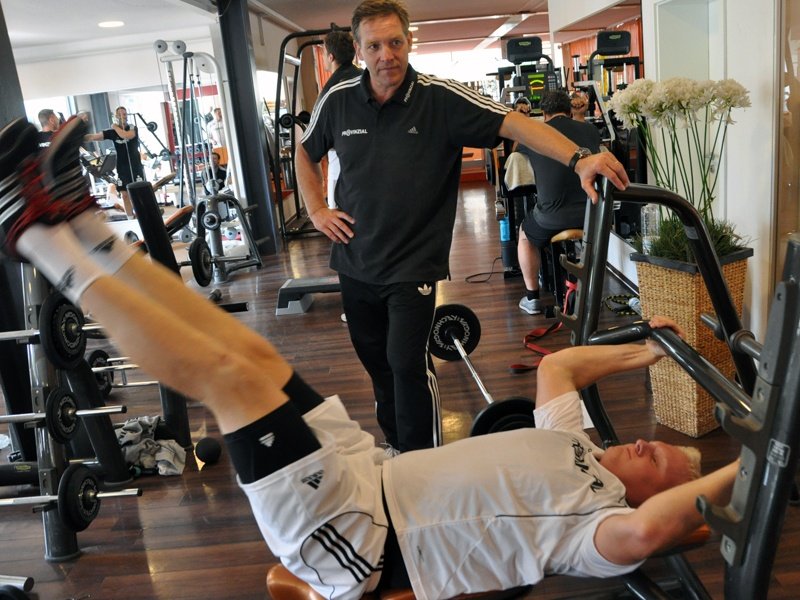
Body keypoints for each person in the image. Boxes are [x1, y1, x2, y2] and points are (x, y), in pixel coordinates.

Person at [0, 115, 738, 600]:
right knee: (245, 351)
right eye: (658, 444)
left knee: (223, 381)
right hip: (364, 466)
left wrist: (760, 460)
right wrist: (645, 349)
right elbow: (558, 368)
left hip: (358, 537)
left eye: (660, 463)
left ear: (656, 499)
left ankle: (32, 235)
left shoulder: (597, 532)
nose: (646, 443)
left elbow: (651, 532)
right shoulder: (579, 446)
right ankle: (82, 225)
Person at [295, 0, 629, 454]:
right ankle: (395, 447)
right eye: (374, 46)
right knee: (378, 366)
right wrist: (317, 209)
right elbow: (306, 151)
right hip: (354, 259)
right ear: (358, 50)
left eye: (395, 42)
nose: (386, 55)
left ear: (409, 42)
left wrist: (579, 157)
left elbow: (517, 125)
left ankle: (421, 460)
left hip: (412, 263)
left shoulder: (440, 98)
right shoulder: (338, 100)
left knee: (407, 365)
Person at [516, 89, 603, 315]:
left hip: (552, 218)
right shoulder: (590, 130)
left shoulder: (535, 132)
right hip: (591, 216)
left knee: (524, 235)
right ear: (569, 110)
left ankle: (532, 298)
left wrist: (523, 120)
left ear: (544, 114)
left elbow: (516, 150)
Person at [319, 29, 363, 209]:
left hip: (342, 168)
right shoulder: (365, 79)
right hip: (370, 166)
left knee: (338, 217)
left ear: (330, 57)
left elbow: (320, 140)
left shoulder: (330, 91)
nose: (323, 57)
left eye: (323, 53)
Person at [84, 106, 145, 219]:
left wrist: (114, 126)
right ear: (116, 116)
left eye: (124, 114)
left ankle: (142, 216)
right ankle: (130, 218)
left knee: (138, 194)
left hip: (135, 166)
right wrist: (79, 137)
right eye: (120, 114)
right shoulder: (112, 132)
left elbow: (125, 135)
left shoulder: (132, 128)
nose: (122, 116)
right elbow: (94, 136)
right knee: (124, 194)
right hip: (122, 167)